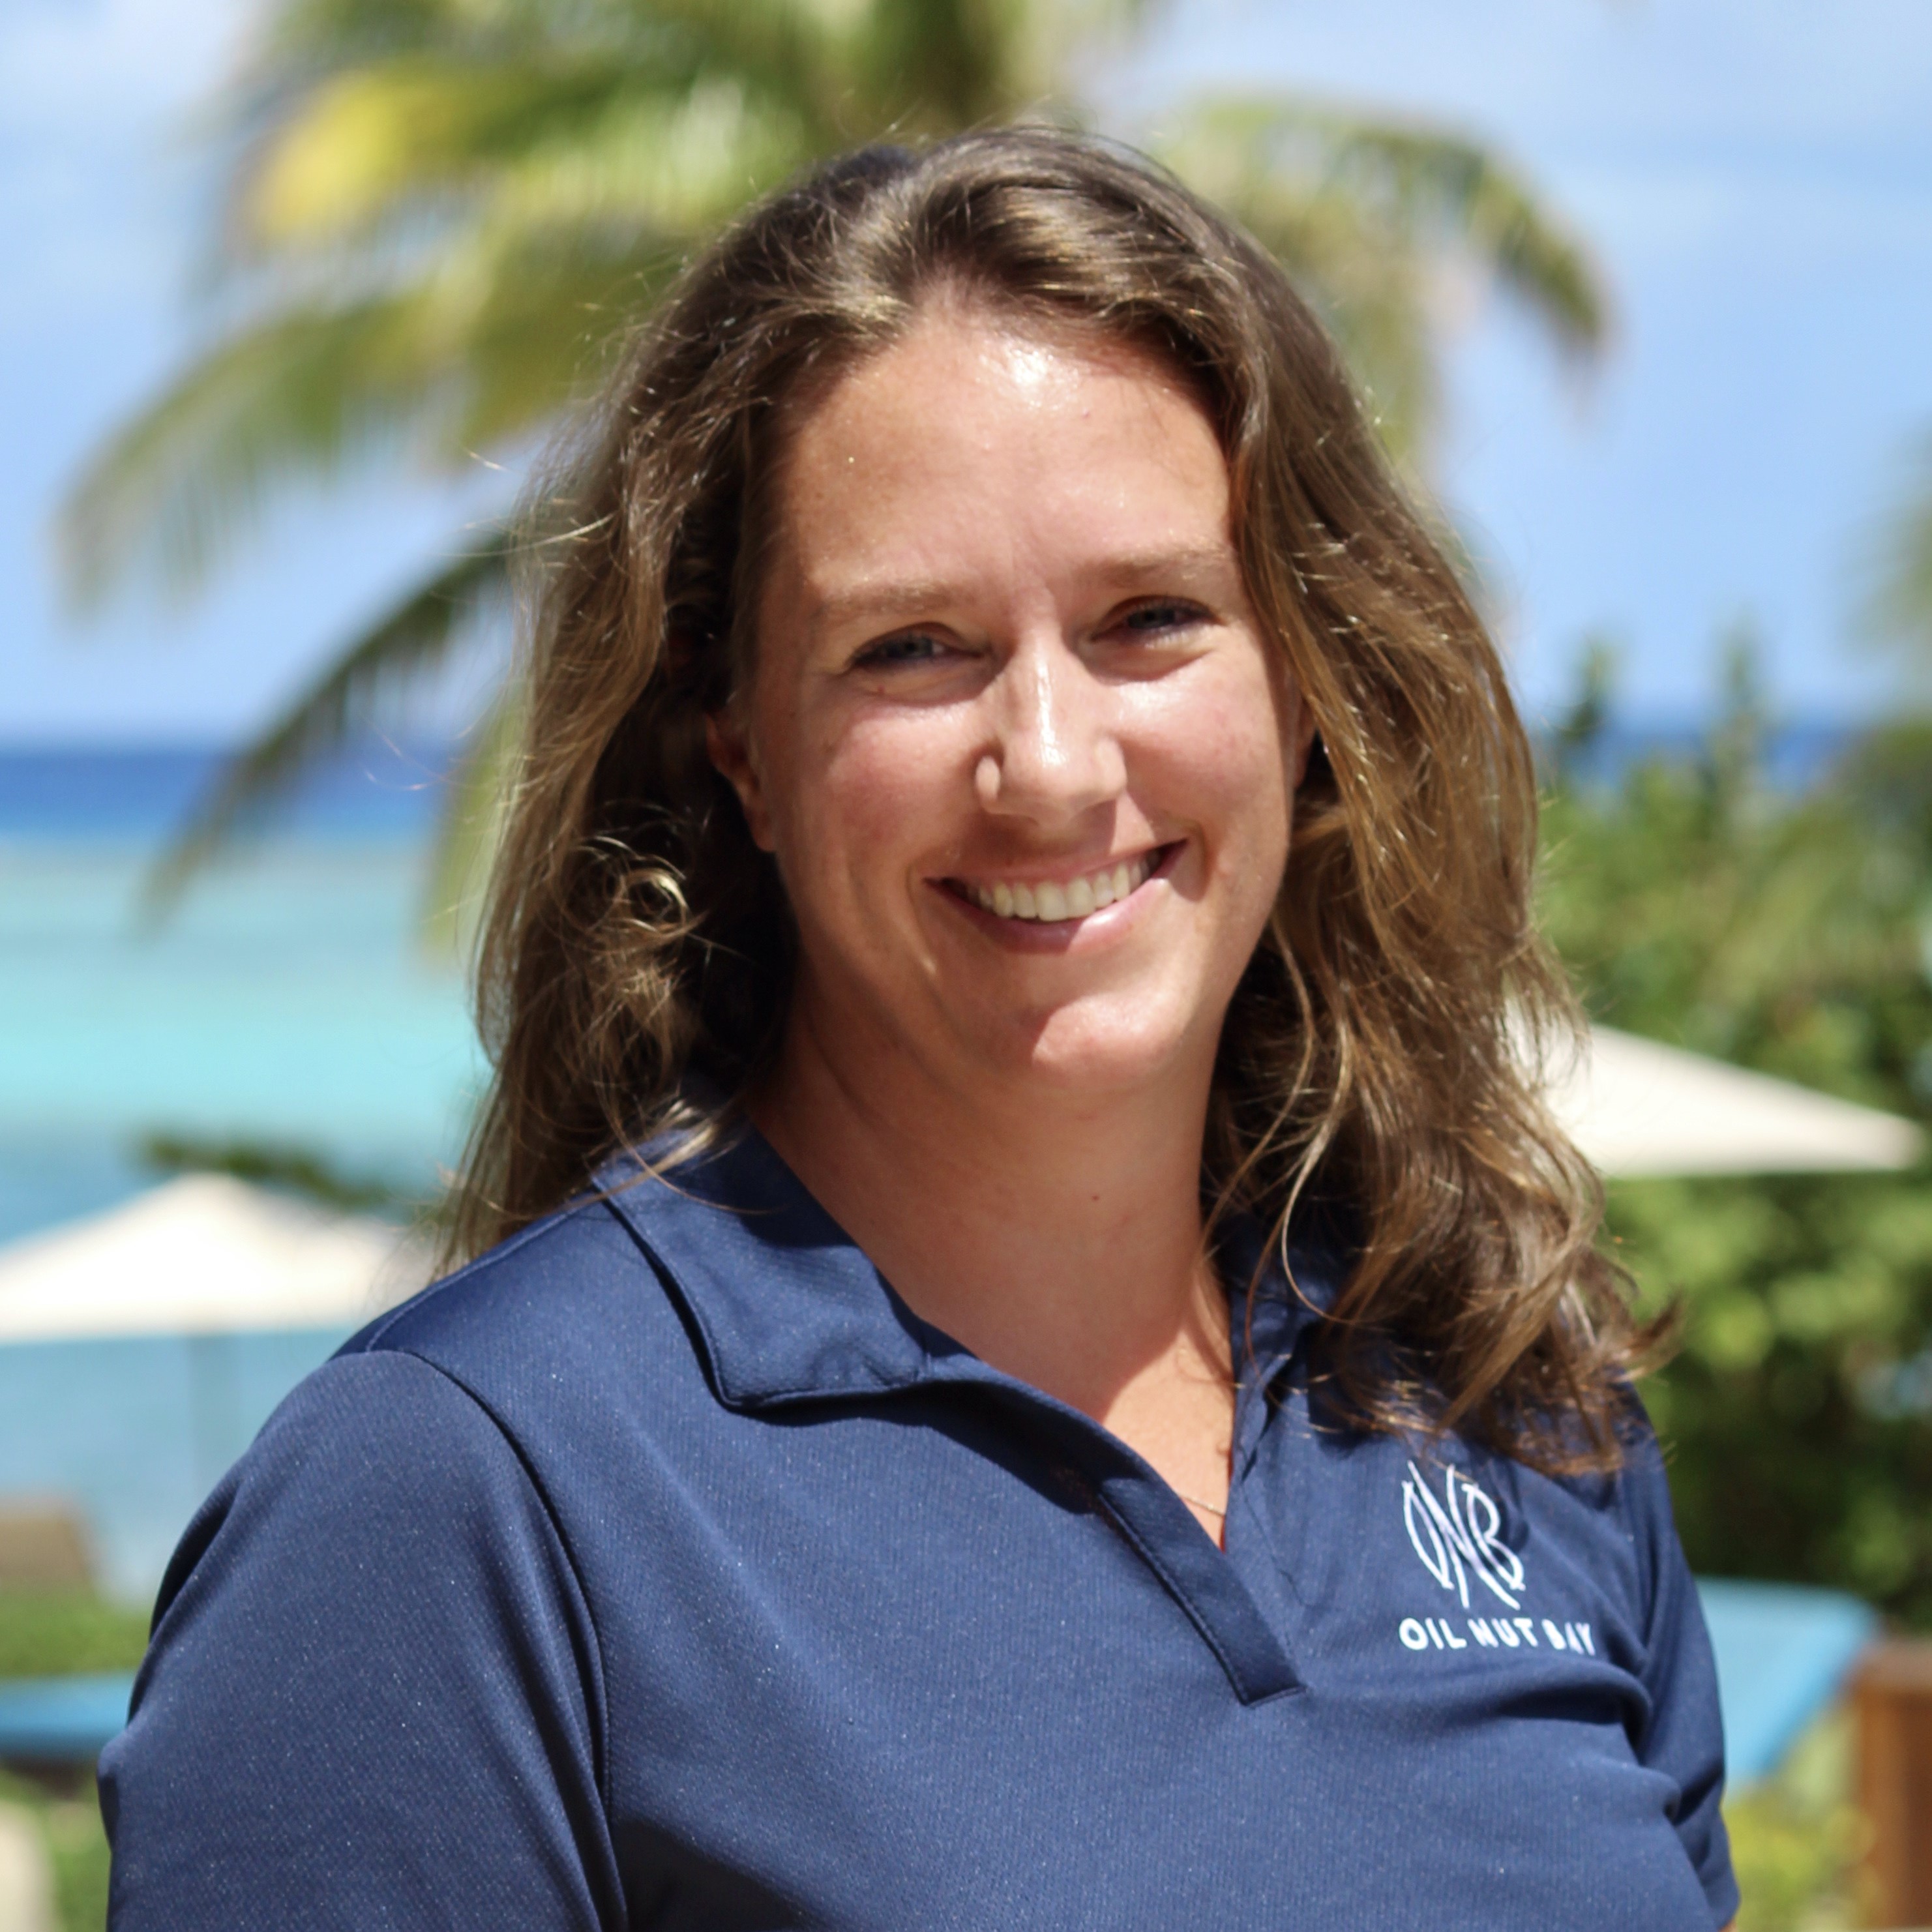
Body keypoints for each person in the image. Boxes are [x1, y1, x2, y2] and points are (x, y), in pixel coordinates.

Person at [100, 129, 1738, 1929]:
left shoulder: (1508, 1398)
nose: (1047, 764)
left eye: (1149, 618)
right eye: (911, 648)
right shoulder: (460, 1496)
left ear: (1306, 689)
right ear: (740, 749)